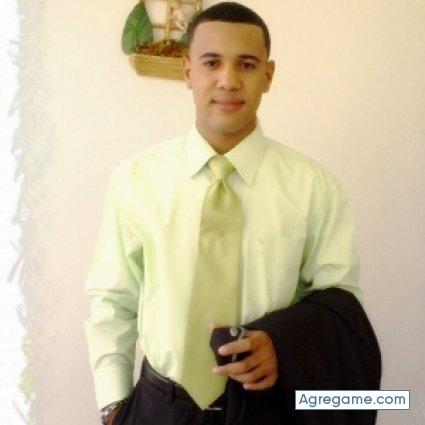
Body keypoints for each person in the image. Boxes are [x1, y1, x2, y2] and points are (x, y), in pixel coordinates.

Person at [84, 2, 381, 425]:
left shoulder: (314, 188)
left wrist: (282, 344)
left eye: (246, 64)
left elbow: (340, 308)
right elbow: (113, 299)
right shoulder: (135, 181)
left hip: (268, 409)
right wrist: (113, 404)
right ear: (188, 71)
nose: (228, 80)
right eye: (211, 62)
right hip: (159, 407)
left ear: (268, 75)